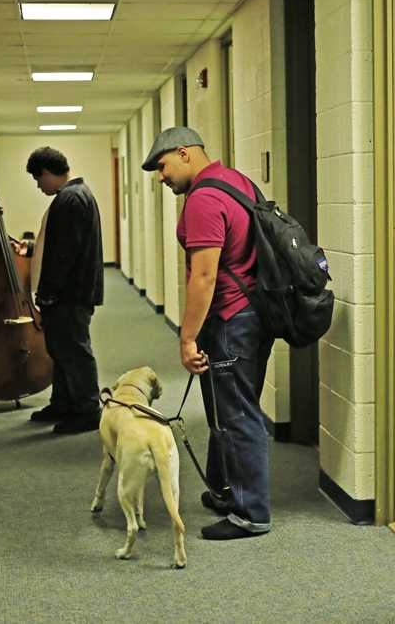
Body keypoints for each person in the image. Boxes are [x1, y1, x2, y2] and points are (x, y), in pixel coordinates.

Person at [142, 126, 275, 541]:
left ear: (184, 153)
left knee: (236, 414)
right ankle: (225, 491)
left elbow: (204, 276)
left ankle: (251, 513)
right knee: (227, 407)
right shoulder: (238, 181)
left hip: (232, 318)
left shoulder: (201, 200)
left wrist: (186, 338)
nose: (160, 177)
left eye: (162, 167)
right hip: (255, 313)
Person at [25, 146, 104, 434]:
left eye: (38, 179)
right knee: (61, 350)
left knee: (74, 351)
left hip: (69, 293)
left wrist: (48, 293)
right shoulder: (78, 194)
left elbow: (63, 254)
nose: (38, 185)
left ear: (47, 172)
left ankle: (86, 409)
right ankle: (64, 402)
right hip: (75, 290)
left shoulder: (68, 199)